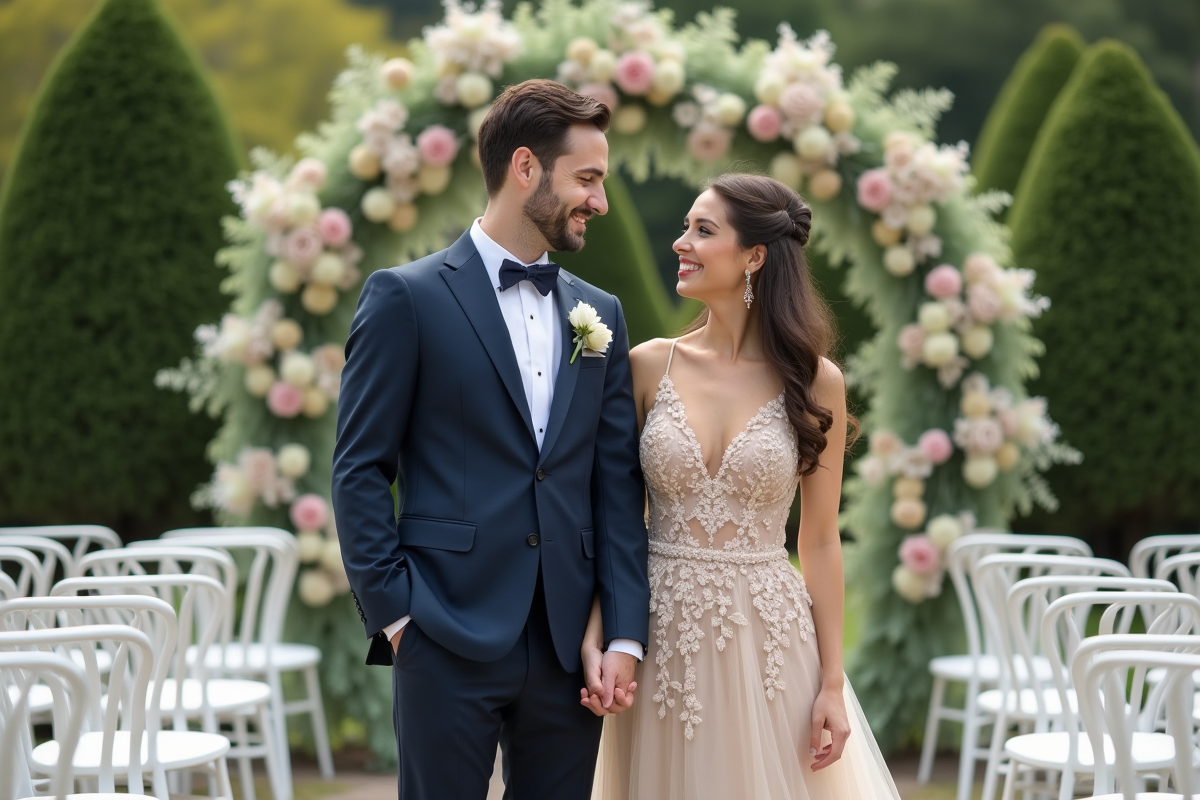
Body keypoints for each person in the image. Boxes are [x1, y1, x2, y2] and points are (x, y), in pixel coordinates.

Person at [332, 79, 649, 800]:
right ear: (526, 168)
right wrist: (398, 615)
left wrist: (624, 634)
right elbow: (359, 468)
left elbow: (615, 485)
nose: (599, 201)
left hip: (572, 651)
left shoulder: (600, 313)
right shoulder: (404, 297)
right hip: (443, 630)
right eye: (588, 179)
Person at [586, 174, 901, 799]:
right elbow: (613, 518)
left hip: (770, 637)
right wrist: (600, 629)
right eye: (685, 227)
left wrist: (832, 683)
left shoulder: (816, 383)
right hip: (660, 631)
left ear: (755, 255)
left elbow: (819, 541)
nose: (682, 242)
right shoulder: (649, 364)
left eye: (703, 231)